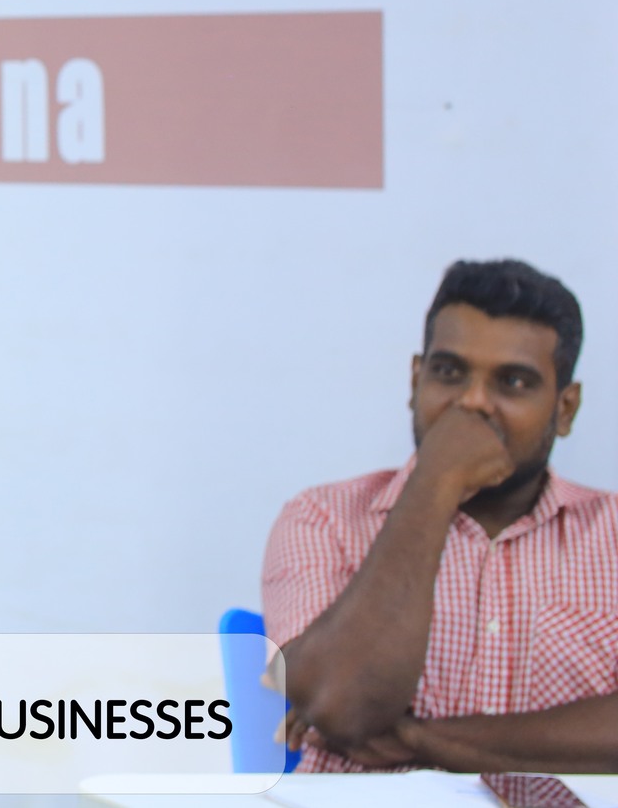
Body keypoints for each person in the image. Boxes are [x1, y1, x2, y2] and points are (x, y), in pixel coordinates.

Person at [263, 258, 618, 773]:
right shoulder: (324, 519)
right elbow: (341, 705)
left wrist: (422, 739)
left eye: (513, 382)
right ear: (415, 380)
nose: (472, 402)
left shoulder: (611, 533)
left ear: (565, 409)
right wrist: (436, 483)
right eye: (449, 373)